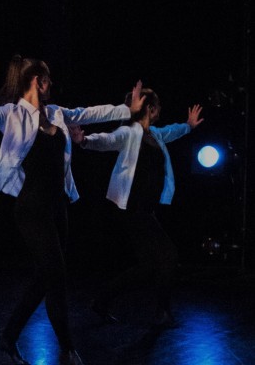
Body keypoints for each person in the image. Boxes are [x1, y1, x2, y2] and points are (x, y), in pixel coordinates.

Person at [0, 55, 143, 365]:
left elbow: (89, 113)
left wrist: (125, 110)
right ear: (38, 80)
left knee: (47, 275)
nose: (51, 85)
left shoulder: (58, 115)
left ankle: (7, 337)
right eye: (47, 79)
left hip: (58, 206)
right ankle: (67, 347)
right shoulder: (11, 115)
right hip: (31, 208)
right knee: (56, 275)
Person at [69, 89, 203, 327]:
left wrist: (188, 126)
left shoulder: (155, 135)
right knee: (169, 256)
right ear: (149, 108)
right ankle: (162, 313)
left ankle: (102, 301)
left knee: (149, 266)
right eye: (157, 106)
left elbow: (172, 131)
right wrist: (85, 141)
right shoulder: (129, 132)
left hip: (145, 209)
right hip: (132, 208)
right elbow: (108, 140)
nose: (160, 110)